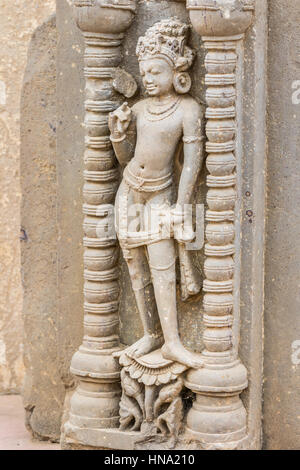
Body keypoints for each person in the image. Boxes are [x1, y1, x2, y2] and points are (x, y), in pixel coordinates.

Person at [109, 18, 204, 369]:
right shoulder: (137, 110)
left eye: (156, 71)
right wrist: (118, 135)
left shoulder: (188, 110)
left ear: (176, 73)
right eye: (144, 72)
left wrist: (182, 207)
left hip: (160, 197)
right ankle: (151, 334)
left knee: (163, 269)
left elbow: (193, 163)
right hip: (129, 192)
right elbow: (125, 160)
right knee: (136, 268)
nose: (148, 79)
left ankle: (173, 342)